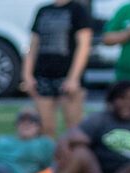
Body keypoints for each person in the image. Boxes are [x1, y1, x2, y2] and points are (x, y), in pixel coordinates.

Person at [23, 0, 93, 135]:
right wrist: (27, 75)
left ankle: (72, 157)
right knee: (44, 128)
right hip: (43, 75)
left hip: (67, 76)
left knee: (74, 128)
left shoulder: (78, 10)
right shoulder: (43, 10)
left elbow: (83, 46)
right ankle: (49, 156)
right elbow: (32, 46)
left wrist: (73, 78)